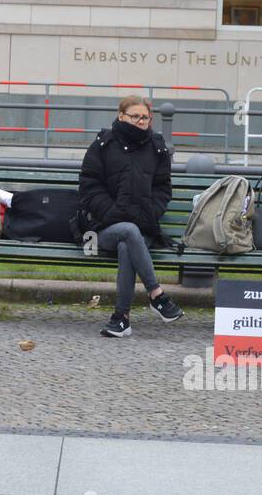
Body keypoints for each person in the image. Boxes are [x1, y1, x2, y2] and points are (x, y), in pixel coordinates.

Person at [77, 96, 183, 338]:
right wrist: (115, 213)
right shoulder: (103, 145)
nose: (140, 121)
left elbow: (162, 189)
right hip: (103, 228)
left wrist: (149, 213)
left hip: (143, 227)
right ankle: (156, 295)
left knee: (129, 242)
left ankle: (121, 319)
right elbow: (89, 188)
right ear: (121, 116)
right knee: (127, 231)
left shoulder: (157, 147)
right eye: (135, 116)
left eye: (144, 117)